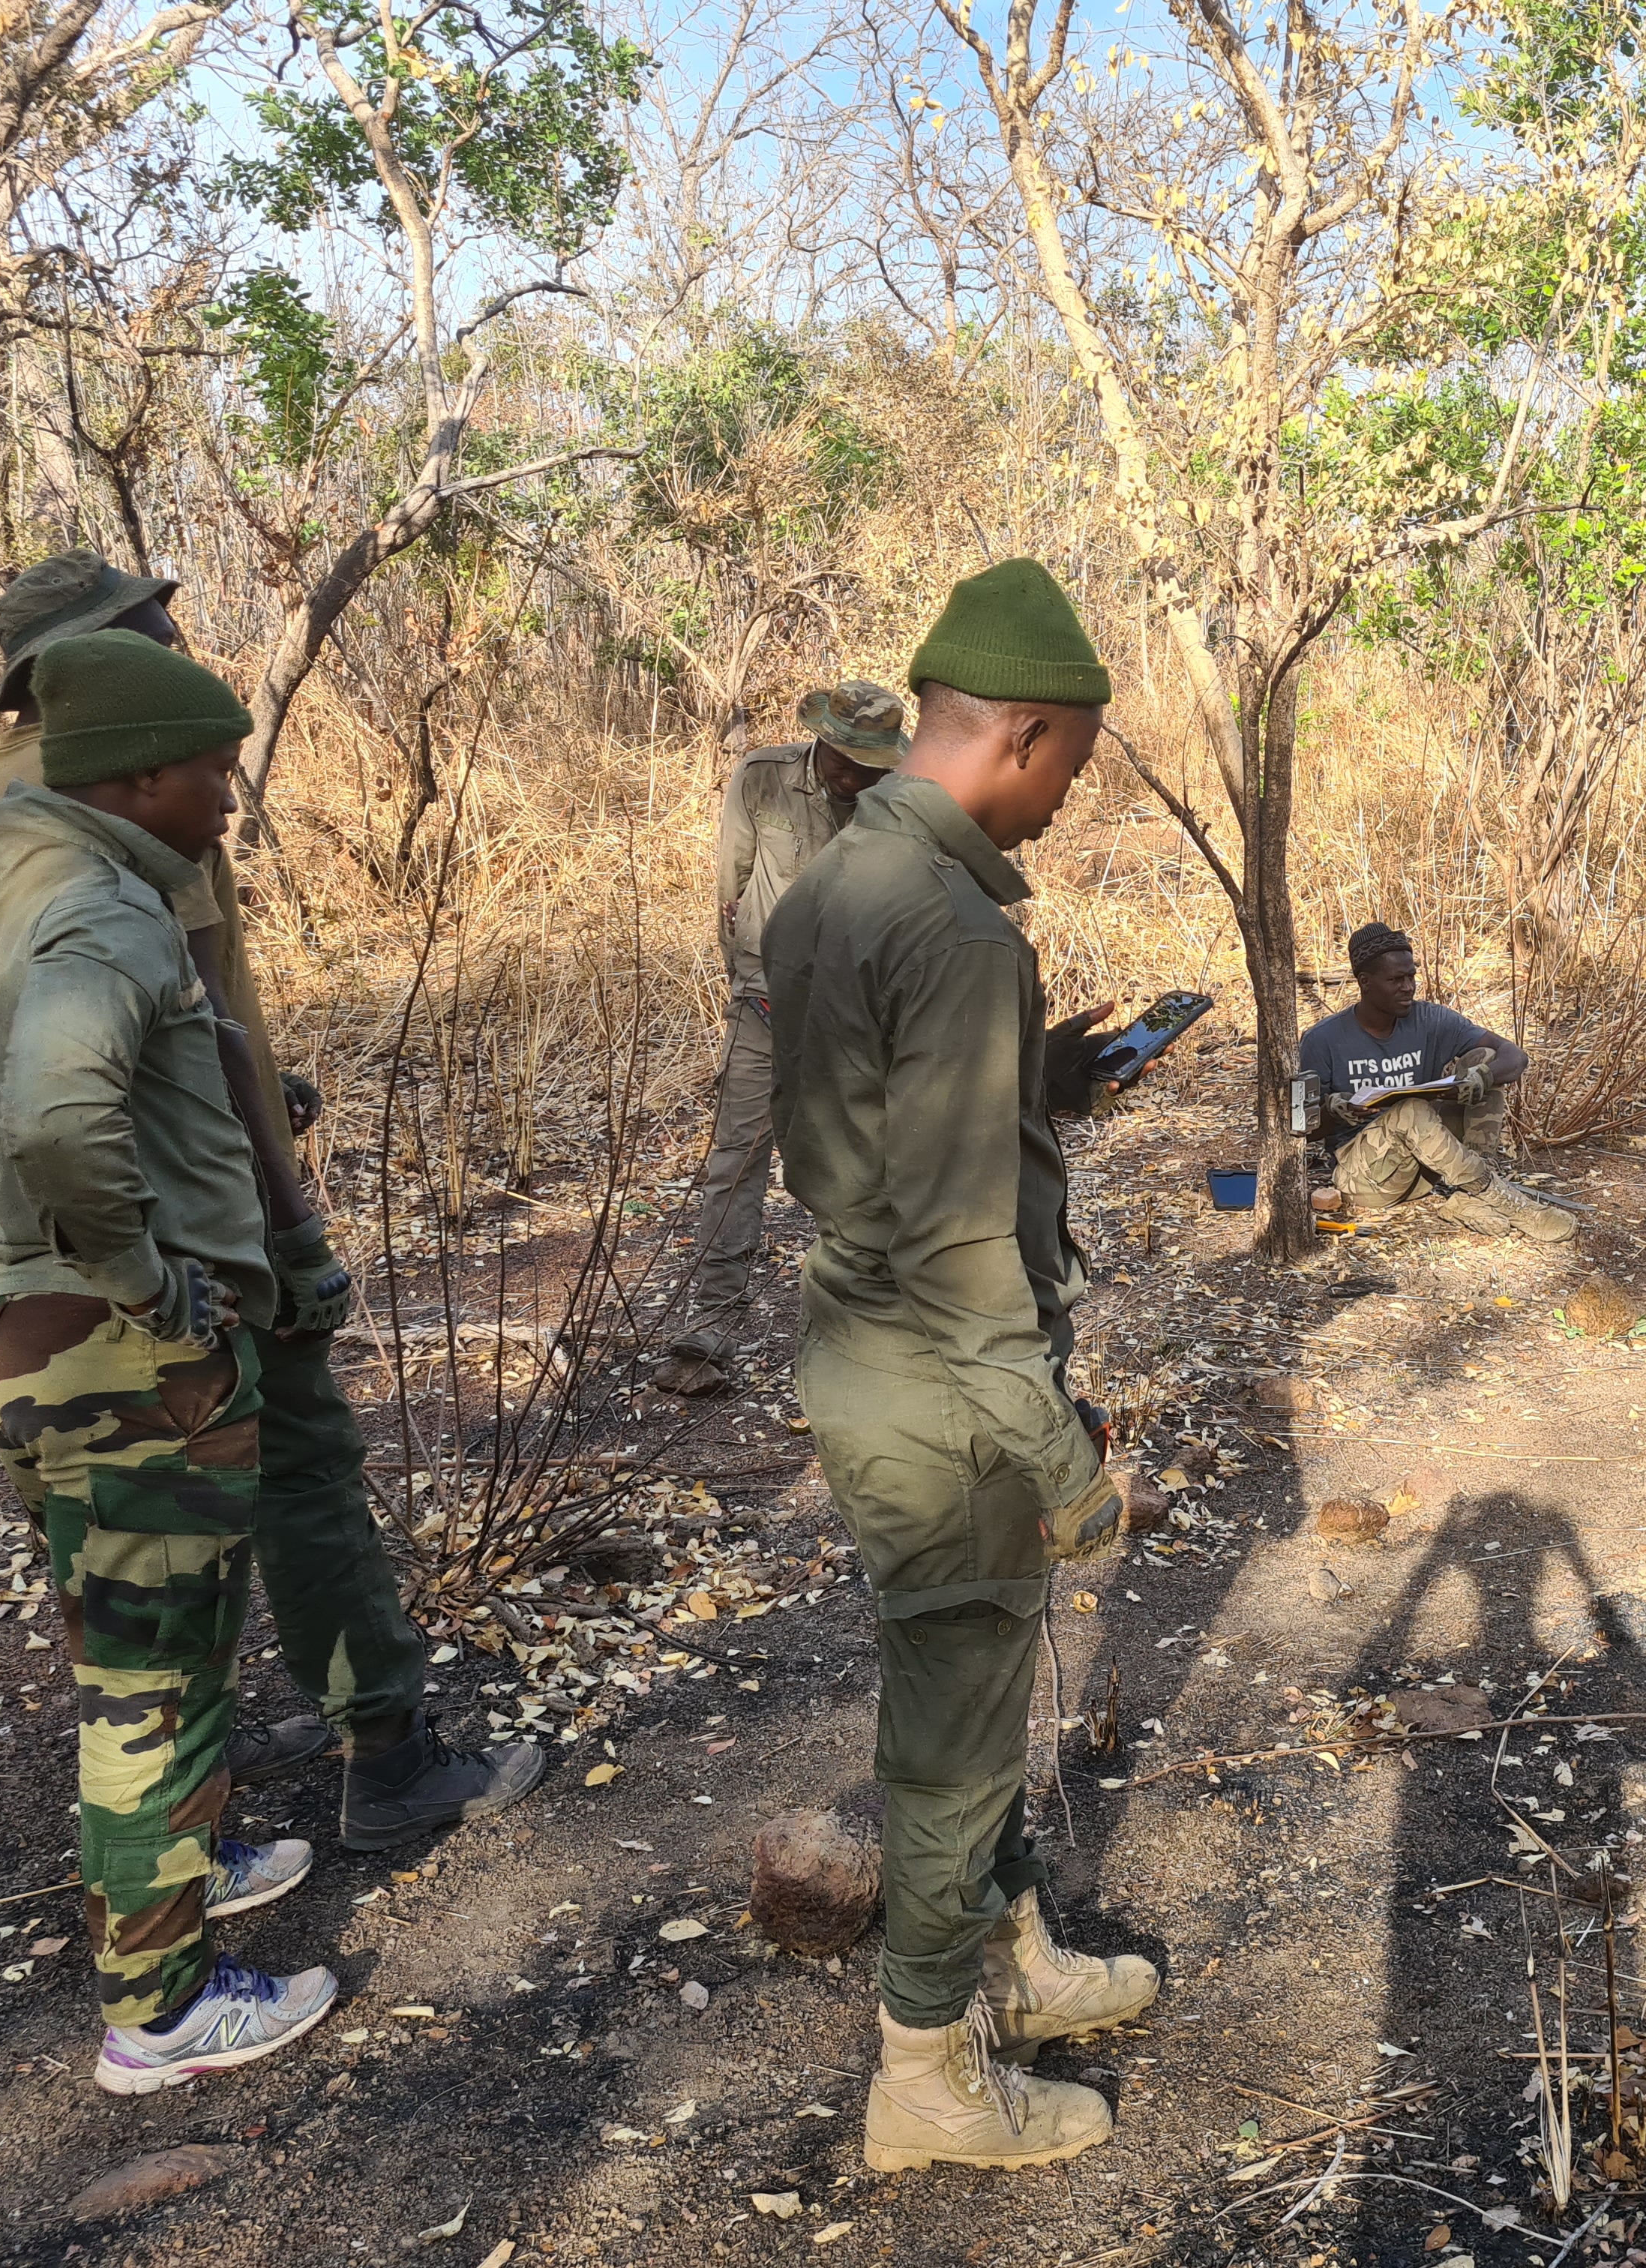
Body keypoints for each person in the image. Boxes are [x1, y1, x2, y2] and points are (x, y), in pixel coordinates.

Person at [0, 549, 541, 1849]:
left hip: (43, 1248)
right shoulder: (139, 788)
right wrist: (294, 1226)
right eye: (153, 619)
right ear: (92, 656)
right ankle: (388, 1753)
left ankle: (181, 1799)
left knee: (116, 1522)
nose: (177, 627)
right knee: (305, 1465)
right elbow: (205, 1018)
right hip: (195, 1223)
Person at [0, 632, 337, 2090]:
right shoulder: (108, 909)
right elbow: (72, 1122)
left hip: (15, 1328)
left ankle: (185, 1856)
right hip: (121, 1347)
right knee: (148, 1680)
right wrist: (145, 1279)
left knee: (153, 1646)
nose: (229, 802)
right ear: (137, 776)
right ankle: (161, 2010)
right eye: (213, 773)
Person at [767, 560, 1156, 2174]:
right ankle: (927, 2074)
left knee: (973, 1708)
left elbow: (882, 1138)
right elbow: (956, 1249)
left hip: (874, 1359)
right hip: (944, 1390)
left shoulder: (837, 882)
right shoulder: (954, 925)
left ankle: (1011, 1959)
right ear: (1026, 735)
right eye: (1073, 765)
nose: (1069, 798)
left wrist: (1037, 1086)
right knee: (950, 1748)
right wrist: (1064, 1460)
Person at [653, 684, 909, 1397]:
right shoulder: (763, 777)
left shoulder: (903, 800)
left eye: (869, 766)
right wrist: (745, 980)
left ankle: (866, 1332)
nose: (852, 777)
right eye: (843, 761)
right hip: (764, 1003)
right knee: (736, 1158)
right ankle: (709, 1330)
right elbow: (730, 888)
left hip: (856, 1015)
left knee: (862, 1163)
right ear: (819, 742)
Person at [1298, 922, 1573, 1240]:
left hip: (1431, 1161)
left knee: (1483, 1059)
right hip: (1367, 1178)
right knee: (1411, 1110)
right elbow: (1301, 1130)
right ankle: (1505, 1200)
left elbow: (1514, 1056)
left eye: (1411, 976)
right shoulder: (1322, 1040)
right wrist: (1336, 1110)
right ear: (1365, 982)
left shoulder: (1430, 1020)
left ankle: (1471, 1194)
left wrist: (1482, 1077)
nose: (1408, 987)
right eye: (1395, 980)